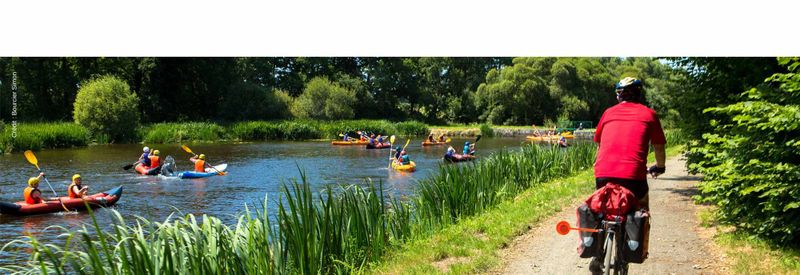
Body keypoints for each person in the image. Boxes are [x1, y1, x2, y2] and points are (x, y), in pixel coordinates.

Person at [589, 77, 666, 273]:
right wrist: (660, 166)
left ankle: (597, 253)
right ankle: (630, 249)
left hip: (603, 173)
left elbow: (599, 143)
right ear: (639, 94)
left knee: (603, 206)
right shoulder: (649, 114)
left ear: (618, 96)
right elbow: (658, 146)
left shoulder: (608, 113)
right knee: (640, 207)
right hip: (634, 177)